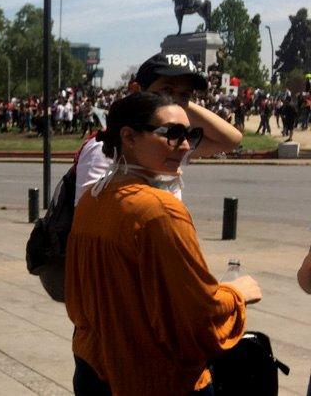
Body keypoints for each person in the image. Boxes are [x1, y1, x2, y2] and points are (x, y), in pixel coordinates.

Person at [66, 92, 261, 396]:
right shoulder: (160, 210)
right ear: (129, 137)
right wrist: (238, 294)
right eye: (171, 134)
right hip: (155, 378)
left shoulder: (93, 199)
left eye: (189, 135)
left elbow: (79, 302)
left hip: (95, 369)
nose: (184, 146)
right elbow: (198, 315)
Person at [74, 52, 242, 205]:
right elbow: (87, 216)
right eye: (166, 90)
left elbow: (230, 140)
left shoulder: (172, 142)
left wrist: (177, 103)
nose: (184, 146)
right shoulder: (105, 148)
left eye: (185, 94)